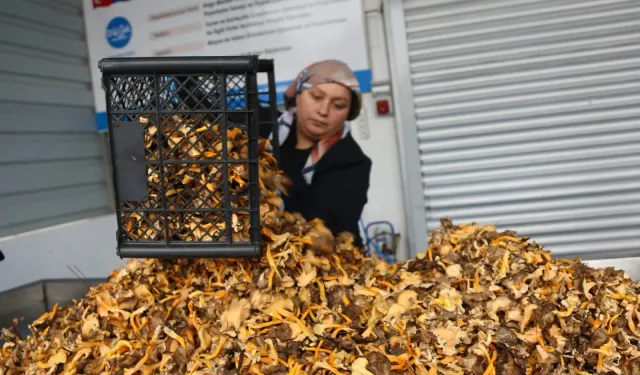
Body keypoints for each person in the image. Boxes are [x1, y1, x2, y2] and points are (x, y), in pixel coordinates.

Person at [259, 60, 372, 248]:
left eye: (338, 105)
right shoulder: (263, 127)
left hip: (326, 264)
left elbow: (324, 228)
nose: (323, 111)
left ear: (348, 112)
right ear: (298, 96)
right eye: (317, 96)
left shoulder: (351, 162)